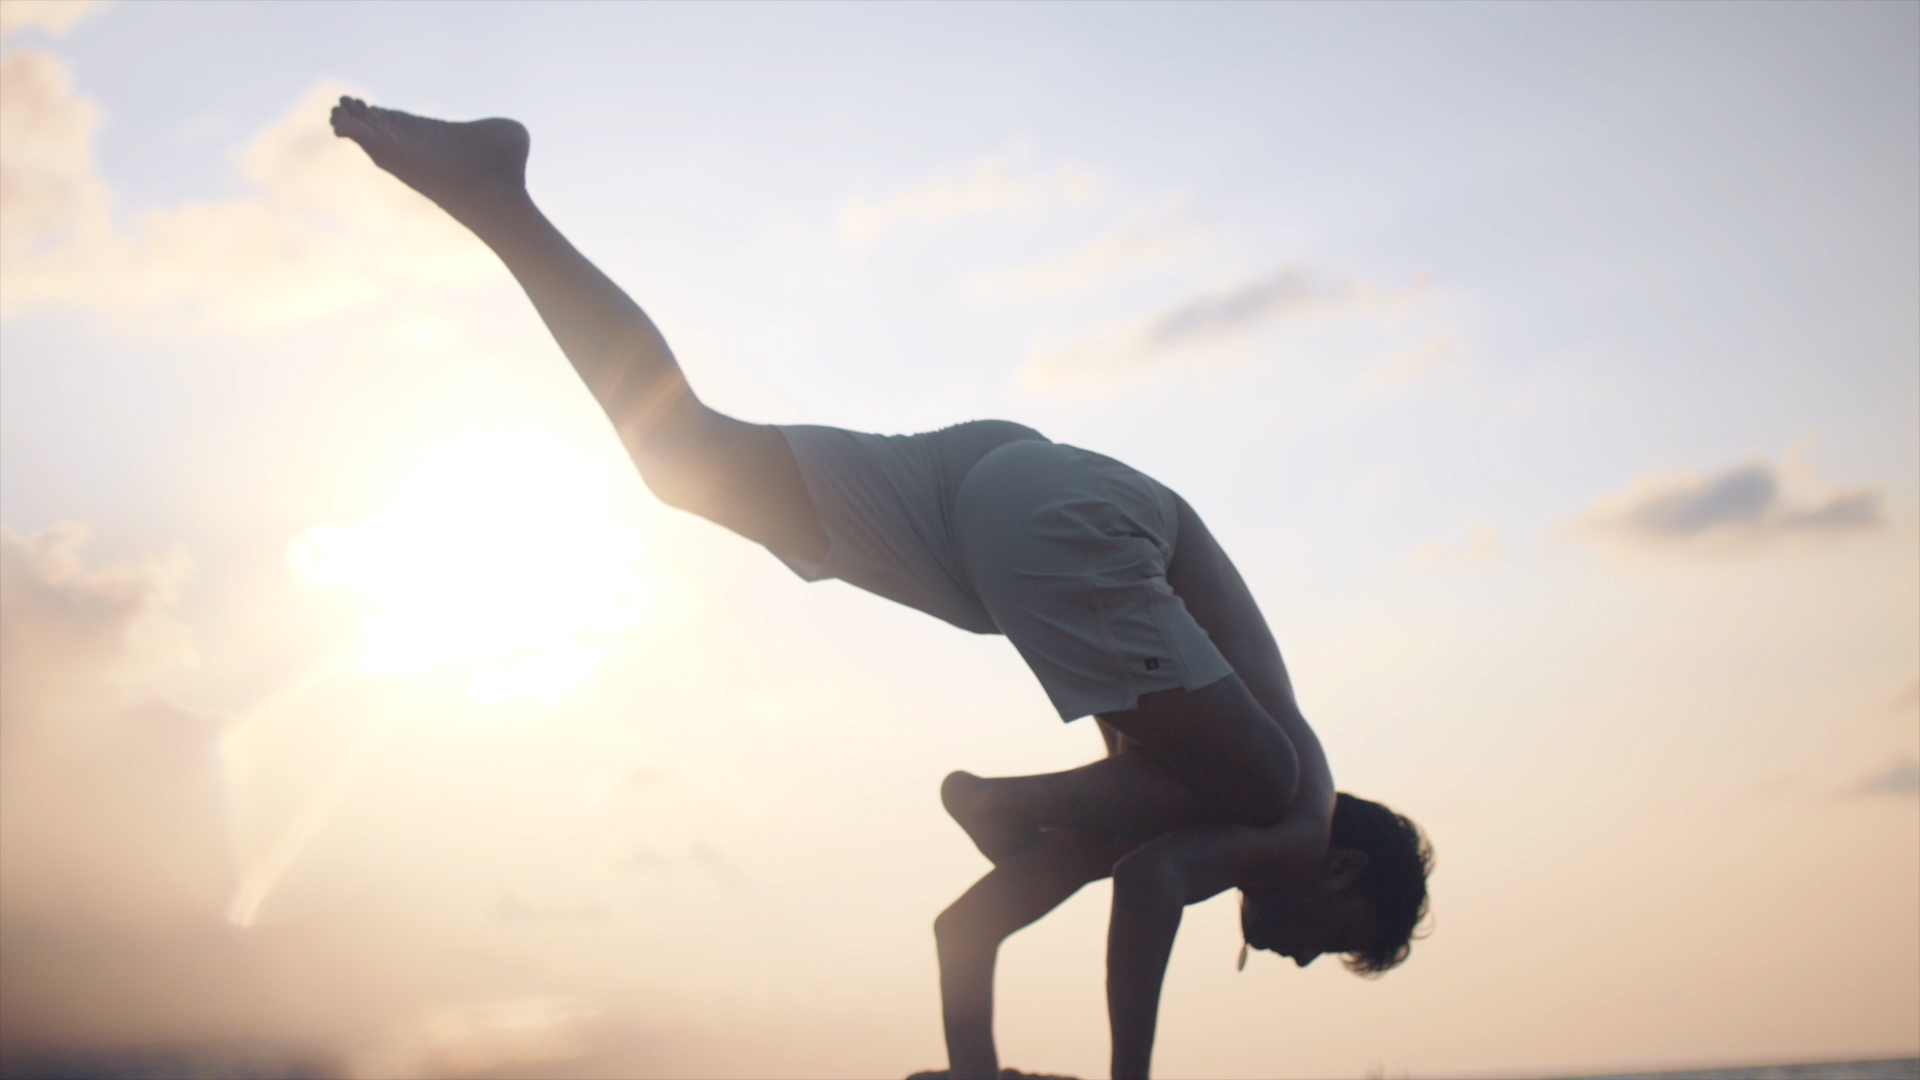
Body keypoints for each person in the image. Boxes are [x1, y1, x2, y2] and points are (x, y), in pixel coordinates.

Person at [329, 98, 1431, 1080]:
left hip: (996, 501)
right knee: (1260, 769)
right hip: (1077, 525)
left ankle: (495, 198)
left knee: (683, 458)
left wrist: (974, 1069)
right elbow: (1152, 894)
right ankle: (1003, 798)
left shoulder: (1173, 787)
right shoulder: (1288, 806)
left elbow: (973, 927)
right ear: (1341, 875)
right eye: (1329, 942)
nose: (1286, 954)